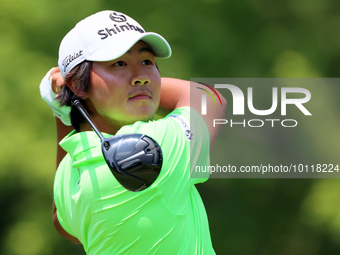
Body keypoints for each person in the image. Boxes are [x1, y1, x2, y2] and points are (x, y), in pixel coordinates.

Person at [40, 10, 226, 255]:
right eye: (119, 63)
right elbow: (209, 98)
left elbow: (61, 222)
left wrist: (64, 107)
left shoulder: (71, 171)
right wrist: (147, 89)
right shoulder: (151, 149)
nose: (142, 78)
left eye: (147, 62)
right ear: (78, 83)